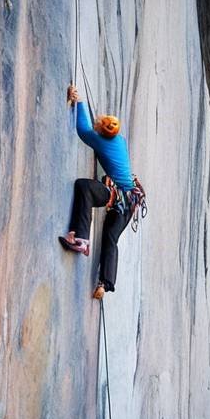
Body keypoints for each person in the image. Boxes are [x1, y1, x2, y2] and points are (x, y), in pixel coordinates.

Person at [59, 85, 141, 299]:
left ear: (102, 131)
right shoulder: (118, 141)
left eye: (100, 123)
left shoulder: (101, 140)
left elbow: (84, 131)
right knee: (110, 237)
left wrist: (78, 102)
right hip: (130, 201)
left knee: (84, 187)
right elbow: (95, 132)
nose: (98, 122)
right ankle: (105, 285)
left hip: (119, 198)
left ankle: (81, 239)